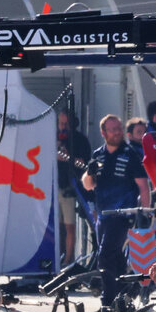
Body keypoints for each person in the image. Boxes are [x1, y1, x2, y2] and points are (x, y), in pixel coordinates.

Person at [80, 114, 151, 312]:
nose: (117, 132)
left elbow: (143, 186)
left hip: (123, 215)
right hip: (103, 215)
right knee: (117, 259)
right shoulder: (98, 155)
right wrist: (89, 172)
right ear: (104, 133)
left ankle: (107, 303)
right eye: (113, 129)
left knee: (105, 255)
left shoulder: (130, 155)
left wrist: (144, 214)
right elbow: (88, 185)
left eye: (119, 128)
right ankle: (126, 294)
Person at [56, 110, 91, 263]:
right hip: (54, 187)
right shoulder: (53, 138)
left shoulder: (80, 140)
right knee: (58, 227)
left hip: (70, 187)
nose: (62, 128)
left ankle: (68, 260)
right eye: (60, 124)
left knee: (69, 226)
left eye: (66, 124)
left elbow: (84, 164)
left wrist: (66, 157)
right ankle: (57, 257)